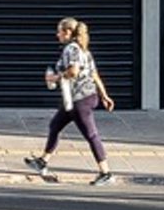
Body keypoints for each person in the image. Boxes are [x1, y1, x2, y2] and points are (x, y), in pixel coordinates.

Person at [24, 15, 116, 186]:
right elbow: (94, 74)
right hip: (80, 98)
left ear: (67, 32)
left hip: (80, 99)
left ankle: (106, 172)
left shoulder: (71, 49)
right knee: (55, 125)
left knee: (91, 134)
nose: (56, 35)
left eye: (59, 32)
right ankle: (42, 161)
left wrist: (55, 78)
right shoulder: (84, 50)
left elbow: (73, 72)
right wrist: (104, 95)